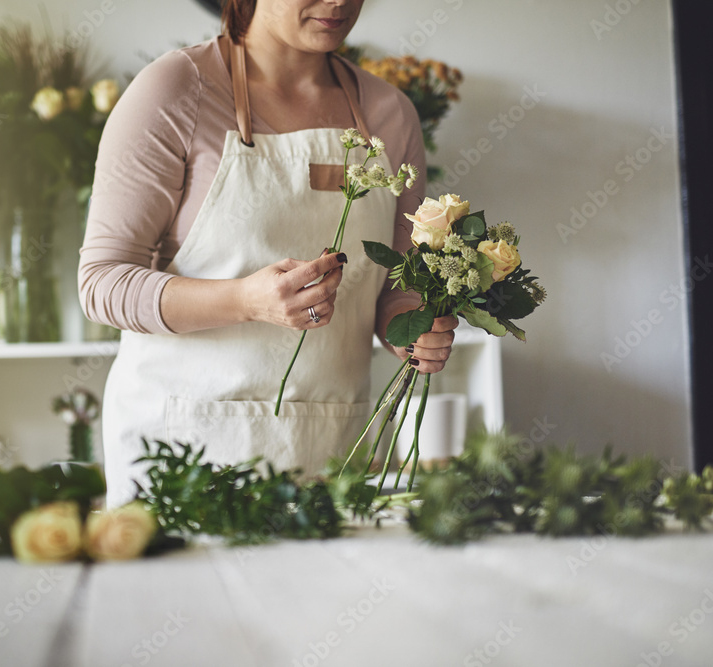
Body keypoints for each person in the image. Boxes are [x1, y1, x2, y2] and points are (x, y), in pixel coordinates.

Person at [78, 0, 458, 505]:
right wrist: (245, 301)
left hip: (330, 453)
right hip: (184, 453)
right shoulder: (175, 89)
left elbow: (394, 286)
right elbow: (102, 283)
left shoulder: (390, 113)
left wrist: (411, 329)